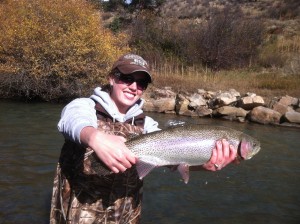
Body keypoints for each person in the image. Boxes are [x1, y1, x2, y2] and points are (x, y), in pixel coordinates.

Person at [50, 53, 237, 224]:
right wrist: (94, 137)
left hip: (126, 215)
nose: (134, 87)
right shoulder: (85, 106)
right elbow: (71, 121)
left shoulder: (147, 125)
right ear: (112, 79)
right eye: (127, 78)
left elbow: (172, 160)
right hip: (77, 214)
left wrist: (203, 165)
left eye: (141, 83)